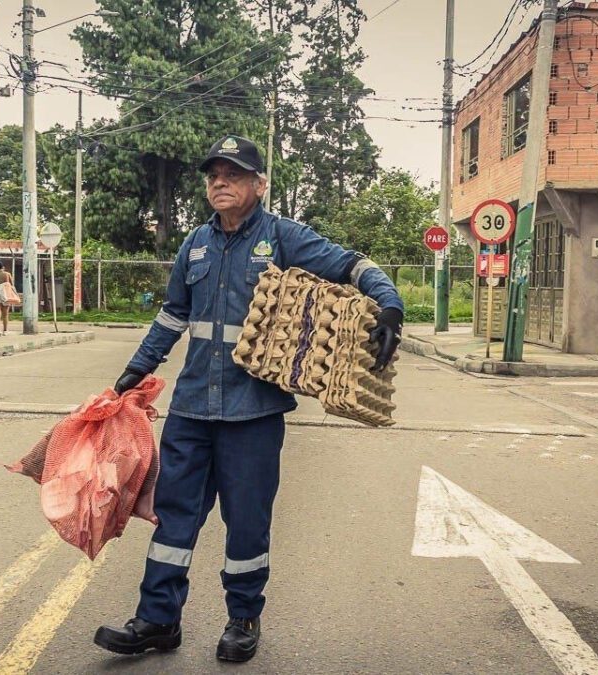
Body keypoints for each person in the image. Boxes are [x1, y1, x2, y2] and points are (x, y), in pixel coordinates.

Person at [93, 135, 404, 663]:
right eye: (213, 174)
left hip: (253, 412)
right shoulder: (194, 244)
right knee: (174, 519)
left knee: (247, 520)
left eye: (232, 174)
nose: (219, 182)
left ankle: (243, 619)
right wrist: (134, 371)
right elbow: (172, 316)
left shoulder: (282, 237)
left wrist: (389, 302)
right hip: (192, 408)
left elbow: (351, 263)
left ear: (259, 185)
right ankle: (157, 620)